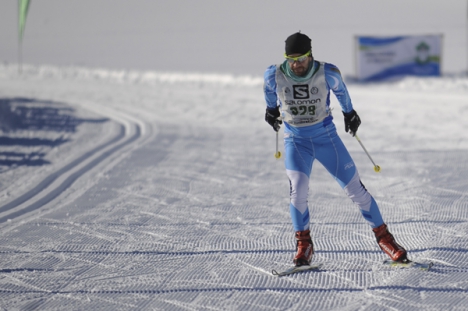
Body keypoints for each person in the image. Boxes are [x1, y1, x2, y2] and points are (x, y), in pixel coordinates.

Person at [263, 32, 408, 267]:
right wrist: (270, 110)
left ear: (310, 55)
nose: (296, 64)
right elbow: (269, 92)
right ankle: (304, 245)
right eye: (291, 59)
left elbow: (342, 92)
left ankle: (385, 240)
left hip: (326, 139)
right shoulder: (274, 74)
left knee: (357, 191)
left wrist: (349, 113)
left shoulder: (327, 72)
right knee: (297, 193)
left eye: (300, 58)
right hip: (295, 141)